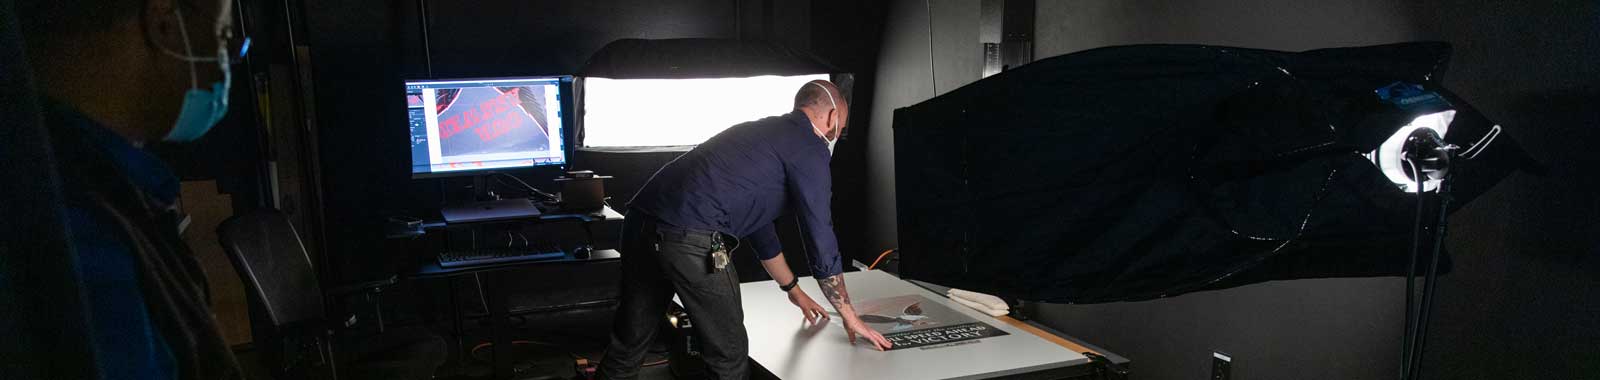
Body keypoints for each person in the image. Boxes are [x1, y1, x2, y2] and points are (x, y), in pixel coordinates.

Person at [5, 0, 244, 378]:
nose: (228, 62)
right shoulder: (81, 235)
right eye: (224, 36)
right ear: (164, 26)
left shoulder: (97, 188)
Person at [597, 80, 893, 380]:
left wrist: (794, 290)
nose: (836, 135)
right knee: (729, 355)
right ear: (832, 118)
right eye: (839, 129)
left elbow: (759, 227)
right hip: (690, 236)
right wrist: (848, 314)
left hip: (638, 223)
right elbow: (820, 231)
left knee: (628, 346)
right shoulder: (810, 146)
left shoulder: (762, 134)